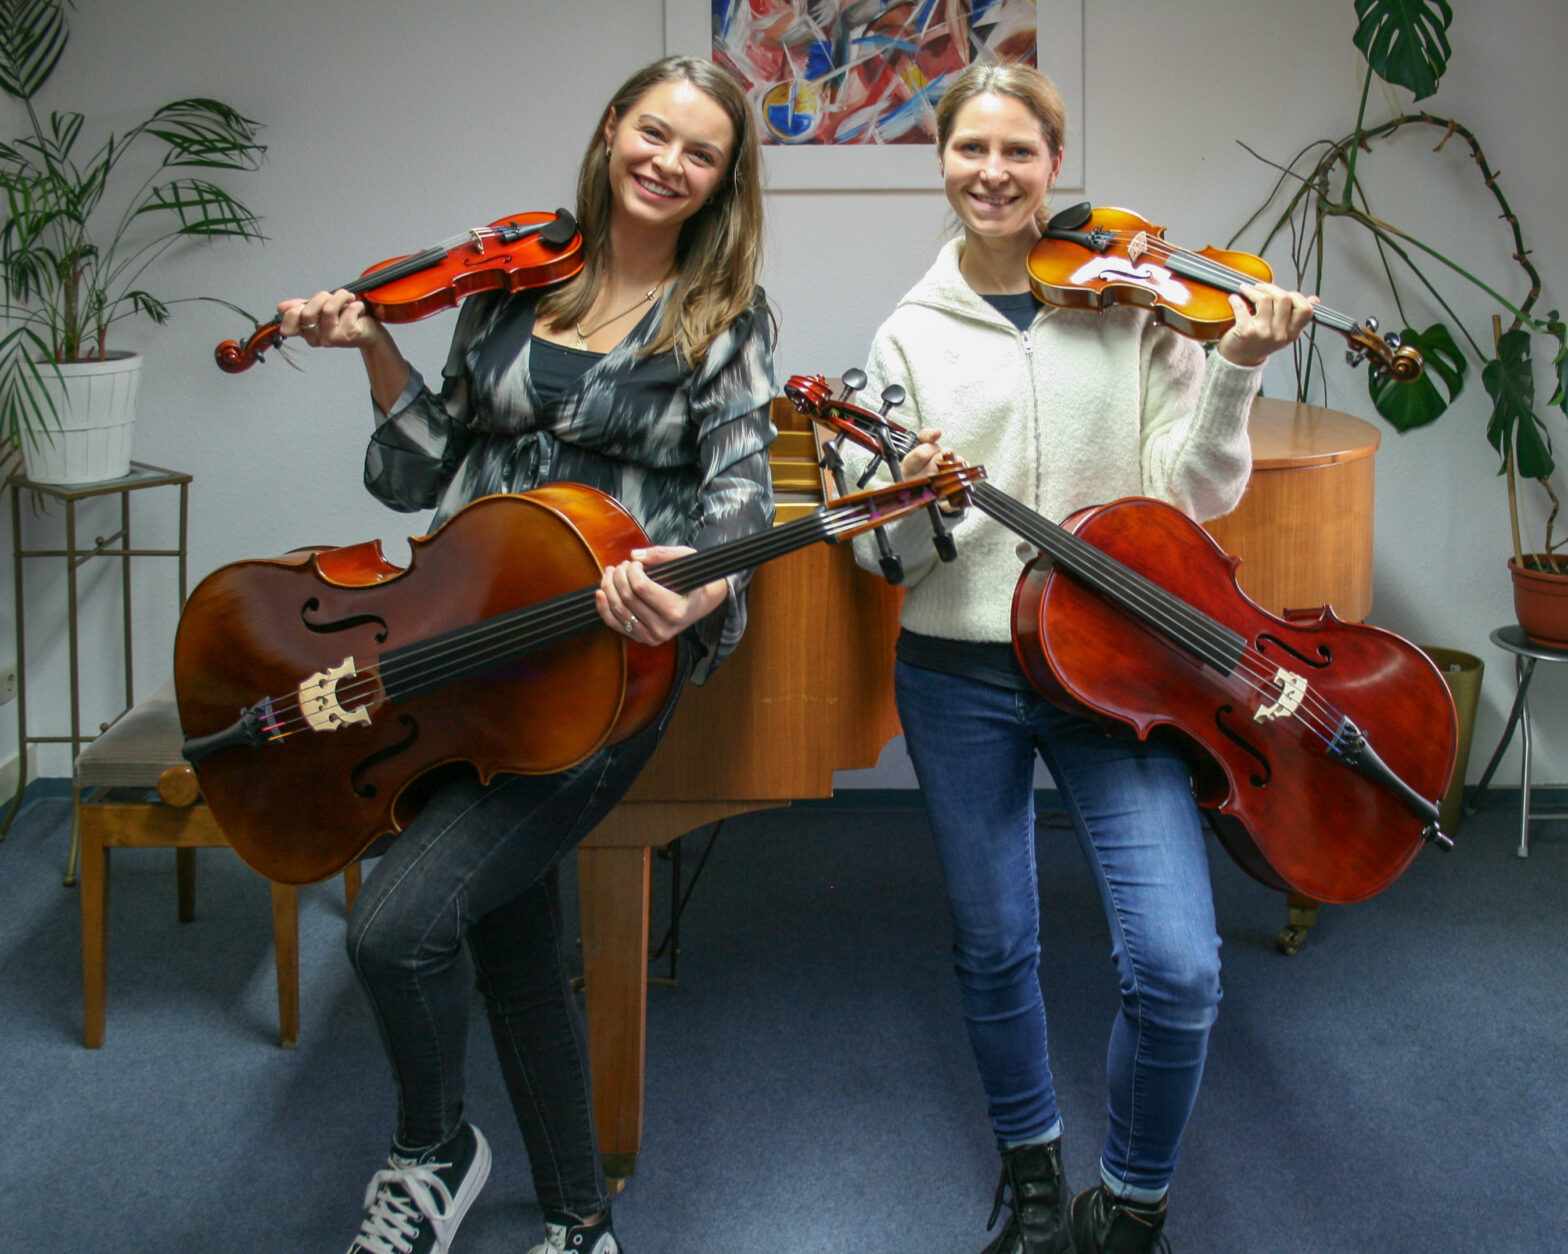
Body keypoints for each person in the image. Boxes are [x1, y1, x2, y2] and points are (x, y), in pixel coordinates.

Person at [275, 56, 776, 1254]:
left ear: (721, 182)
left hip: (603, 668)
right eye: (651, 133)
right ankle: (576, 1217)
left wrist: (686, 593)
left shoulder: (724, 316)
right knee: (507, 938)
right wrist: (371, 348)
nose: (667, 163)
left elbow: (743, 500)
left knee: (394, 928)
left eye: (698, 153)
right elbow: (414, 470)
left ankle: (434, 1149)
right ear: (611, 131)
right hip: (463, 647)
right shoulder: (506, 291)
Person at [851, 62, 1317, 1254]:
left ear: (1053, 162)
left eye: (1018, 151)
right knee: (994, 938)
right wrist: (912, 505)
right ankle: (1028, 1167)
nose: (992, 174)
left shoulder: (1135, 308)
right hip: (957, 674)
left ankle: (1131, 1200)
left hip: (1117, 670)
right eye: (970, 151)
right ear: (940, 160)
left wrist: (1234, 370)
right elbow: (888, 562)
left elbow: (1191, 502)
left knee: (1176, 966)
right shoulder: (906, 333)